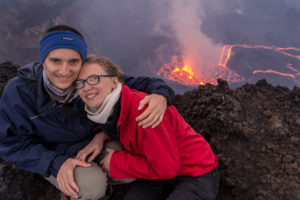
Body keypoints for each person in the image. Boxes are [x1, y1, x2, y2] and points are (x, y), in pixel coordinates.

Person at [0, 25, 176, 200]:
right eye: (55, 61)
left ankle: (106, 184)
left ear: (82, 62)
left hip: (94, 144)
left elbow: (143, 83)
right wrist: (56, 164)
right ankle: (72, 188)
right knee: (92, 186)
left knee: (129, 169)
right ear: (43, 60)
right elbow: (10, 144)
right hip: (54, 153)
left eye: (73, 62)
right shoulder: (19, 92)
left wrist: (160, 96)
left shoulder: (89, 79)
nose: (64, 71)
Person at [76, 55, 220, 200]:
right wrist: (100, 136)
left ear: (114, 81)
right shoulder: (106, 112)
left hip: (195, 171)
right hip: (157, 171)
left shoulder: (143, 111)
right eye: (80, 83)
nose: (86, 87)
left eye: (94, 78)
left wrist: (115, 162)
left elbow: (166, 168)